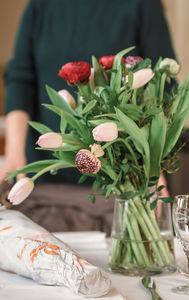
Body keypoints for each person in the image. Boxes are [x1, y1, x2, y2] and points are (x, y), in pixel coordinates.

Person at [0, 0, 173, 231]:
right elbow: (20, 80)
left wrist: (153, 165)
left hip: (121, 185)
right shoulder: (40, 6)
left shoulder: (142, 5)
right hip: (44, 188)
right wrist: (13, 155)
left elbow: (162, 84)